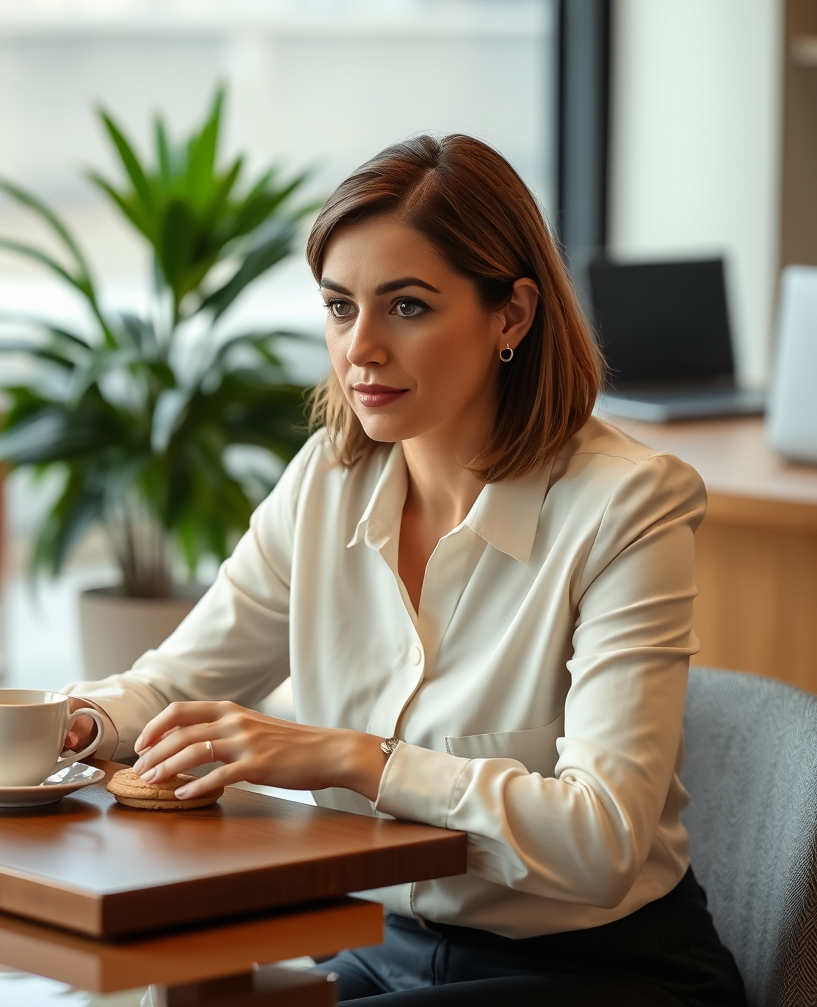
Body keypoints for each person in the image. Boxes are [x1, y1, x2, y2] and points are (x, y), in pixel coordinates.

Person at [61, 135, 746, 1006]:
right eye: (340, 307)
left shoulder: (629, 505)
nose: (362, 350)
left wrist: (353, 759)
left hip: (602, 970)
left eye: (408, 307)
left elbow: (602, 839)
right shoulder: (326, 482)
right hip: (381, 947)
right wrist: (75, 723)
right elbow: (172, 687)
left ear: (513, 316)